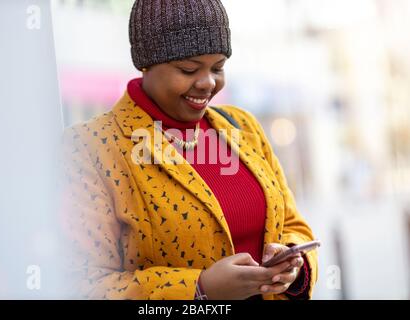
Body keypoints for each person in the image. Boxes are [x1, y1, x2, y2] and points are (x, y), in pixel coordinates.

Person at [61, 0, 318, 300]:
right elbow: (83, 283)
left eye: (218, 67)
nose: (208, 83)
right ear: (146, 62)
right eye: (188, 69)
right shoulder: (91, 148)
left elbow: (292, 223)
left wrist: (293, 264)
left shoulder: (243, 126)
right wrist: (199, 289)